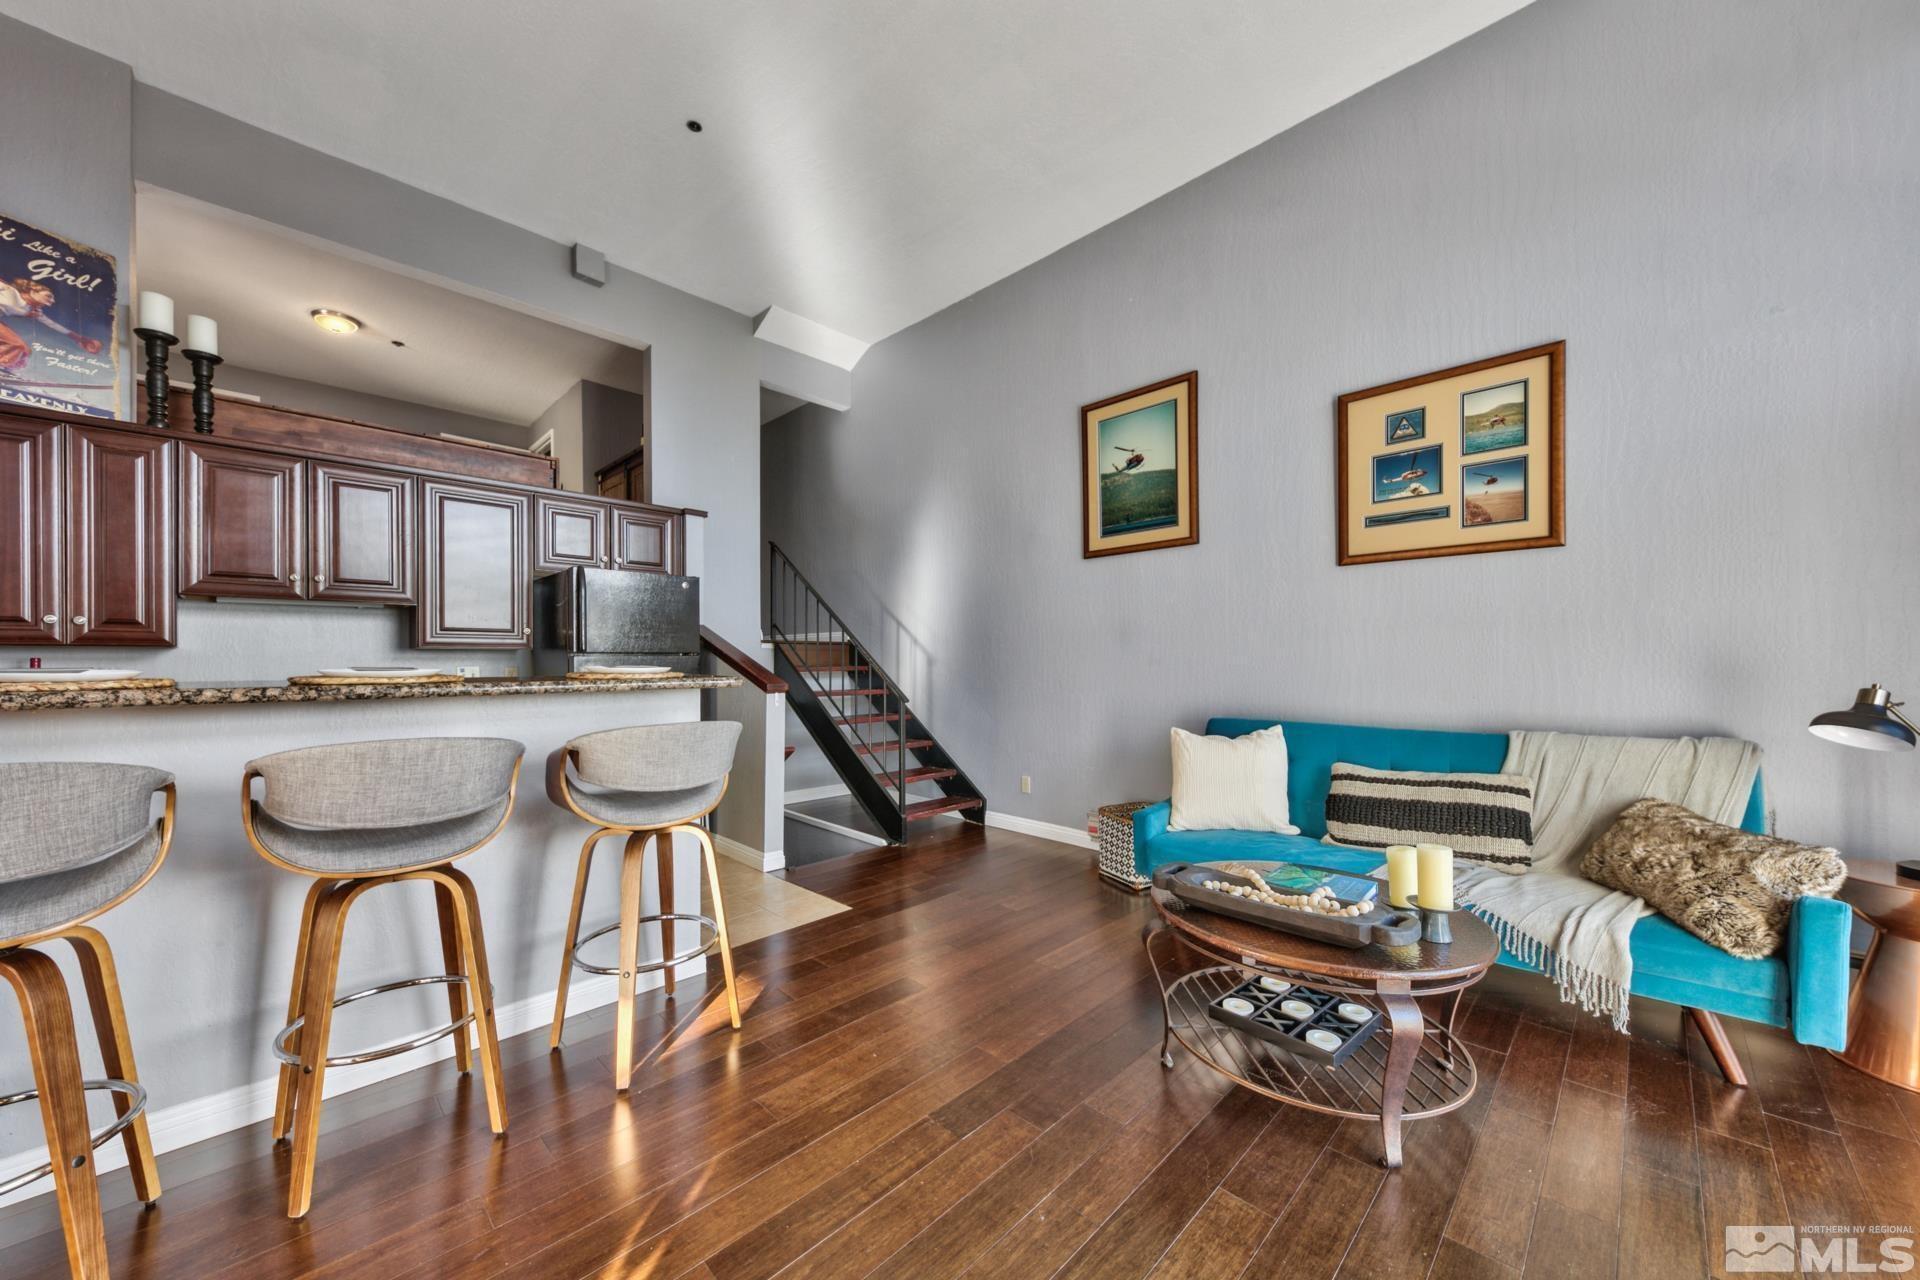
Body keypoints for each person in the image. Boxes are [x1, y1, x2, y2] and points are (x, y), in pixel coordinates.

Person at [0, 277, 103, 376]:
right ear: (32, 292)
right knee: (18, 345)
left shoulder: (32, 310)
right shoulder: (9, 291)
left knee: (25, 350)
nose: (52, 300)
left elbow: (52, 324)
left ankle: (7, 369)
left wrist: (80, 339)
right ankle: (2, 366)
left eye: (53, 298)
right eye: (48, 296)